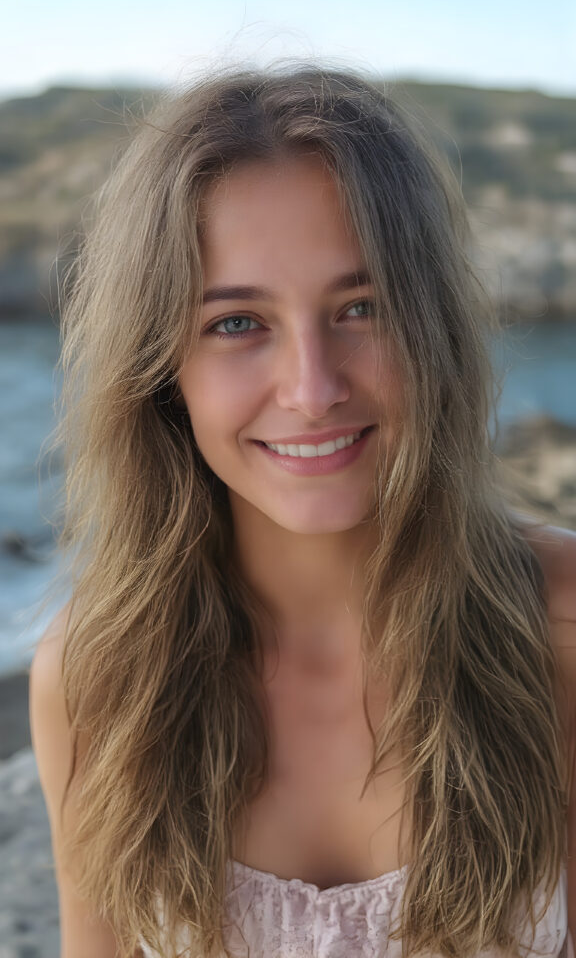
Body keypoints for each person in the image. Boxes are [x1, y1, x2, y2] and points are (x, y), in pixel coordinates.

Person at [30, 65, 576, 958]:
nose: (314, 389)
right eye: (237, 323)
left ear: (430, 327)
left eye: (361, 307)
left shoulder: (560, 623)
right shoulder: (96, 680)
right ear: (161, 368)